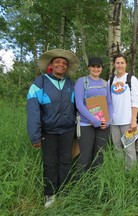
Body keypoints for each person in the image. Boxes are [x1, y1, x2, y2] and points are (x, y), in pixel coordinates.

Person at [26, 49, 79, 208]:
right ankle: (50, 194)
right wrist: (35, 135)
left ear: (66, 67)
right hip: (48, 132)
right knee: (50, 163)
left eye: (64, 63)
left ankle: (64, 192)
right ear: (51, 64)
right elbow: (33, 111)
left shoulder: (71, 83)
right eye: (57, 62)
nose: (61, 65)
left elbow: (79, 106)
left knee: (66, 161)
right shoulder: (39, 83)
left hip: (68, 131)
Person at [74, 56, 113, 177]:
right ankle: (79, 183)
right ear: (89, 67)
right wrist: (93, 120)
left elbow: (109, 103)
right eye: (93, 66)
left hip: (102, 125)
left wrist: (109, 121)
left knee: (99, 155)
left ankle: (96, 182)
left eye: (98, 67)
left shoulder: (105, 84)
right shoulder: (82, 81)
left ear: (101, 68)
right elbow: (79, 104)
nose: (96, 69)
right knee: (85, 155)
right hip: (86, 124)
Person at [109, 54, 138, 170]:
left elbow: (135, 101)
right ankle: (119, 173)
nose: (120, 65)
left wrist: (133, 120)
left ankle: (130, 175)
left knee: (129, 150)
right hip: (113, 122)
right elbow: (109, 101)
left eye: (122, 63)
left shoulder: (131, 79)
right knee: (117, 149)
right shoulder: (111, 80)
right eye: (117, 63)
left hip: (127, 121)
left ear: (126, 64)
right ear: (114, 65)